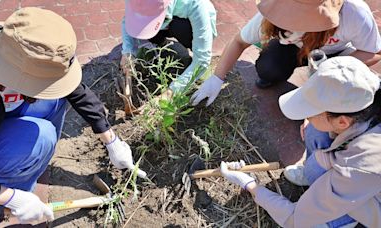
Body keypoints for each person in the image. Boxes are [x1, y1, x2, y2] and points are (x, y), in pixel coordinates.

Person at [0, 8, 146, 224]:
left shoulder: (24, 50)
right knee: (43, 137)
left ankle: (27, 169)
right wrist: (8, 196)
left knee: (55, 99)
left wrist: (111, 140)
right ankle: (6, 197)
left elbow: (77, 91)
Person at [220, 56, 381, 227]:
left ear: (342, 122)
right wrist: (313, 117)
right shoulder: (369, 96)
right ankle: (321, 182)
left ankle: (344, 220)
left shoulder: (361, 165)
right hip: (358, 174)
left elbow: (296, 219)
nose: (306, 116)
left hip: (369, 200)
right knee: (313, 130)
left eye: (311, 112)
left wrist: (250, 185)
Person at [191, 0, 381, 107]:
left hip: (334, 55)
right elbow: (239, 41)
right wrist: (217, 78)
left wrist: (336, 67)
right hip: (294, 51)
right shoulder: (274, 15)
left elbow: (375, 52)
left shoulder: (354, 14)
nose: (293, 25)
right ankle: (278, 71)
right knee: (268, 68)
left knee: (346, 93)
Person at [120, 0, 217, 94]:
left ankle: (196, 71)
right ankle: (158, 41)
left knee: (181, 28)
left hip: (191, 23)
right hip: (166, 20)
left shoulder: (195, 4)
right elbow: (128, 20)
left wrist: (171, 92)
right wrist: (128, 52)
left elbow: (202, 59)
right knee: (148, 33)